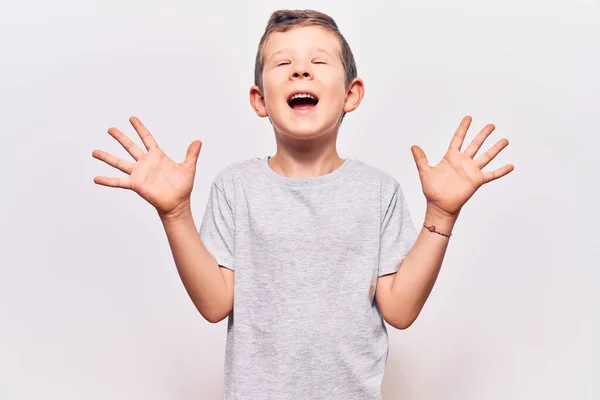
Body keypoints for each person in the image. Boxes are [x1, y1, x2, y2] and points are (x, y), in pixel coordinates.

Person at [92, 9, 514, 400]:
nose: (300, 69)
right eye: (282, 63)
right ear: (260, 100)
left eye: (318, 61)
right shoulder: (236, 187)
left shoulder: (377, 191)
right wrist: (175, 213)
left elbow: (400, 310)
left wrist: (441, 215)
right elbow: (215, 303)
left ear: (351, 93)